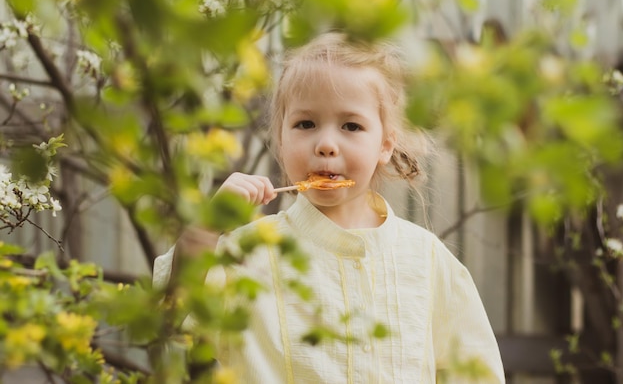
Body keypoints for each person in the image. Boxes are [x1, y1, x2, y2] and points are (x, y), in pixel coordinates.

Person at [153, 32, 505, 383]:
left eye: (351, 125)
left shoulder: (428, 261)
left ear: (384, 145)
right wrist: (206, 228)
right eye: (305, 124)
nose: (325, 145)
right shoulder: (247, 252)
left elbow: (477, 374)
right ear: (281, 137)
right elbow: (171, 309)